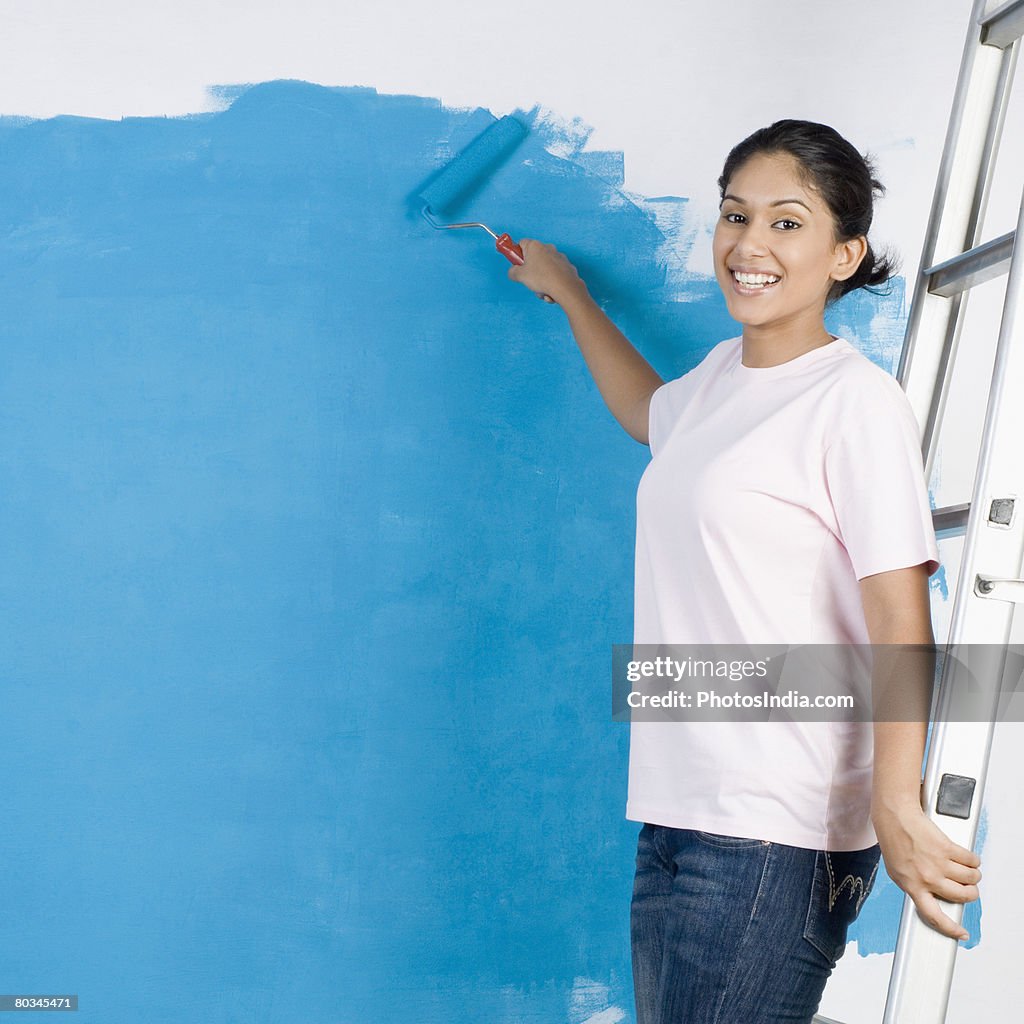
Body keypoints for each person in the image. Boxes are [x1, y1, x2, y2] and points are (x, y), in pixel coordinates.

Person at [507, 119, 983, 1024]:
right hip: (681, 814)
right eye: (735, 215)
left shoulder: (855, 404)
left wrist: (898, 803)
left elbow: (898, 615)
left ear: (846, 255)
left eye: (788, 223)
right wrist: (571, 296)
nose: (750, 244)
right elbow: (652, 417)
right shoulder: (718, 381)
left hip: (775, 828)